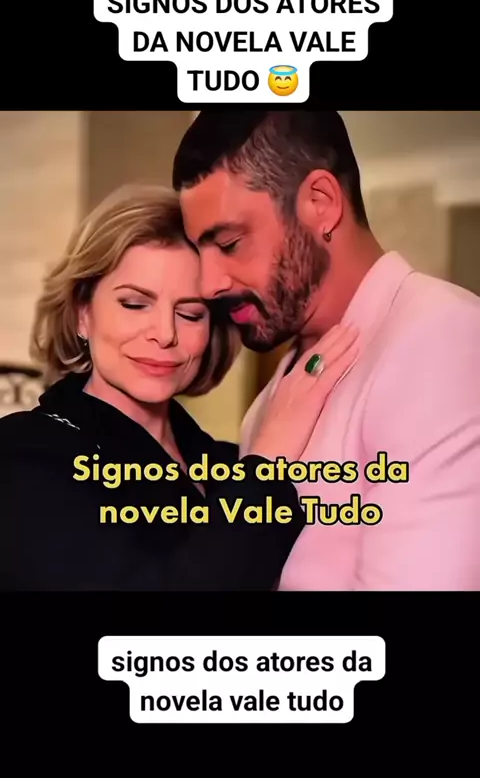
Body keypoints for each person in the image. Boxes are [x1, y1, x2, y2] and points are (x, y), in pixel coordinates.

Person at [172, 109, 480, 591]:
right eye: (200, 253)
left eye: (229, 243)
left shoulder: (442, 338)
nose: (209, 284)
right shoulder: (270, 406)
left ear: (321, 203)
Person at [0, 183, 359, 591]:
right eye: (135, 304)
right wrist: (268, 463)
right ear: (83, 313)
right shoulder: (23, 451)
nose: (165, 334)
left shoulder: (228, 462)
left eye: (190, 314)